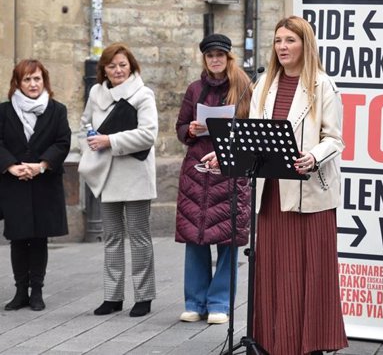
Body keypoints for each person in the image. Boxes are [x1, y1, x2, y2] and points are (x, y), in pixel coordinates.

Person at [250, 16, 348, 354]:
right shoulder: (262, 85)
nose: (282, 47)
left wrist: (314, 155)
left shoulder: (323, 85)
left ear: (306, 44)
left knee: (310, 272)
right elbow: (253, 136)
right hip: (272, 192)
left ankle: (311, 344)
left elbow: (335, 139)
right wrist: (224, 157)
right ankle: (273, 340)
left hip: (310, 194)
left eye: (290, 40)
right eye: (278, 41)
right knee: (274, 269)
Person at [174, 34, 252, 325]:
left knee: (228, 241)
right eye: (210, 56)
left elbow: (251, 129)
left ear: (228, 58)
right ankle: (194, 302)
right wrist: (191, 130)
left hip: (229, 171)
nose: (215, 60)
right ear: (204, 59)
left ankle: (219, 303)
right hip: (197, 172)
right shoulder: (195, 89)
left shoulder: (243, 88)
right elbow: (180, 127)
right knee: (195, 239)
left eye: (220, 55)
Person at [78, 43, 158, 317]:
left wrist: (109, 140)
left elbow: (148, 134)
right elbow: (84, 123)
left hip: (135, 174)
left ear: (132, 66)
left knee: (138, 237)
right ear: (104, 69)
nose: (117, 70)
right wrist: (89, 141)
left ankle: (144, 296)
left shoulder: (143, 94)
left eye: (123, 64)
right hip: (106, 173)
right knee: (111, 237)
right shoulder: (96, 93)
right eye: (111, 65)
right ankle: (112, 297)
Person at [0, 60, 70, 311]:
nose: (33, 84)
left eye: (37, 79)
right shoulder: (4, 111)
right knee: (18, 238)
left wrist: (40, 166)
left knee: (39, 238)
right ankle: (20, 291)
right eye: (27, 79)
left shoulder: (57, 110)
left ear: (44, 81)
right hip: (14, 183)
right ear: (17, 83)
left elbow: (62, 143)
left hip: (44, 182)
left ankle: (37, 291)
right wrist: (11, 166)